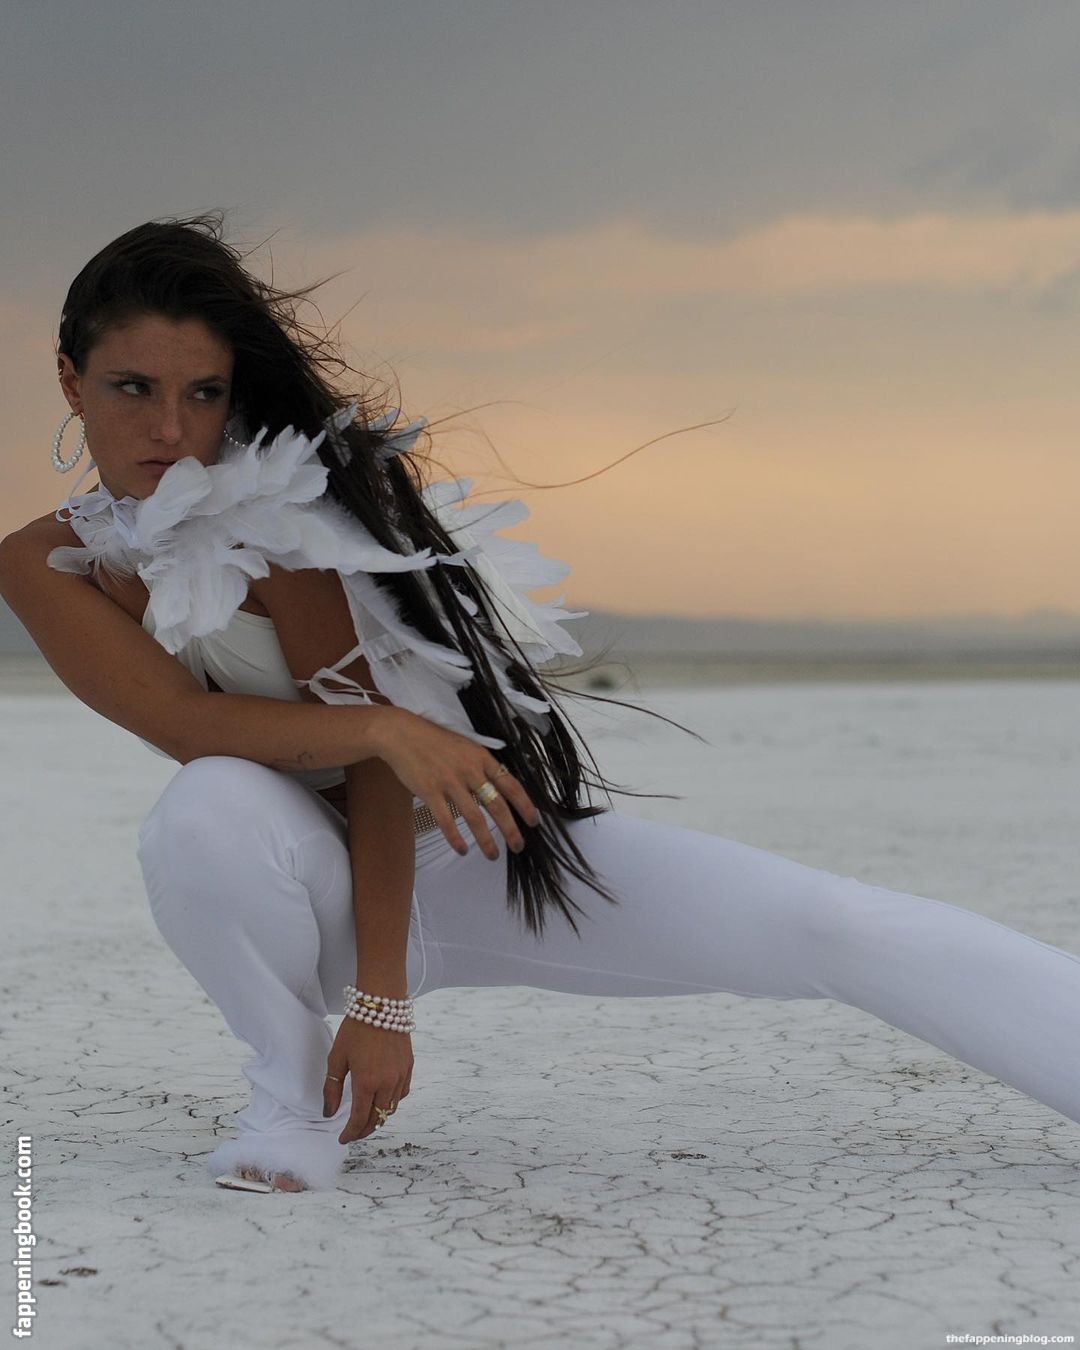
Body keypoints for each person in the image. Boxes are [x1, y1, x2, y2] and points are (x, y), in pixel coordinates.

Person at [4, 212, 1080, 1196]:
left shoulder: (279, 522)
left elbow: (382, 774)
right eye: (133, 388)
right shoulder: (42, 562)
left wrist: (383, 1002)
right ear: (70, 381)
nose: (172, 428)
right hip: (294, 887)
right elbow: (188, 725)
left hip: (464, 851)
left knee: (828, 925)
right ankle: (289, 1106)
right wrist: (380, 723)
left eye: (204, 393)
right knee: (207, 803)